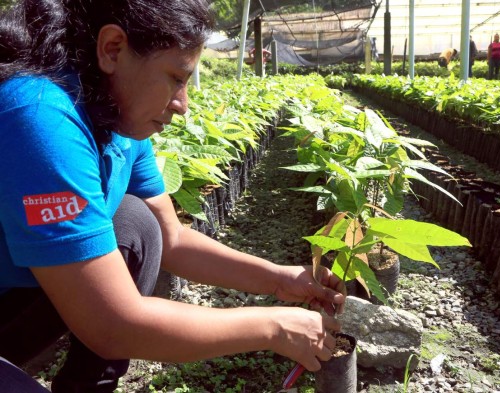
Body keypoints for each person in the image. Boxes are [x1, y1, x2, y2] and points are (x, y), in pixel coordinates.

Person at [0, 1, 346, 393]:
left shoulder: (116, 116)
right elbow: (113, 324)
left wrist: (279, 279)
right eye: (176, 78)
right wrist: (273, 327)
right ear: (113, 49)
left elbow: (171, 238)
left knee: (135, 222)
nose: (183, 105)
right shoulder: (39, 114)